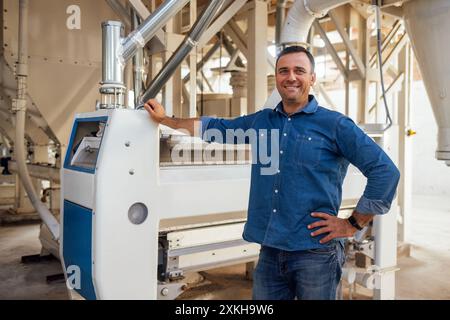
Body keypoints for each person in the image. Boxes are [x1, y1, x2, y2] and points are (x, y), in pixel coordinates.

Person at [144, 45, 400, 300]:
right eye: (283, 71)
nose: (291, 77)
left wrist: (352, 224)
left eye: (299, 70)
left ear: (312, 78)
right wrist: (167, 120)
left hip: (315, 253)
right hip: (270, 251)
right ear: (276, 78)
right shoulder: (261, 122)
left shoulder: (335, 125)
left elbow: (385, 171)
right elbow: (215, 127)